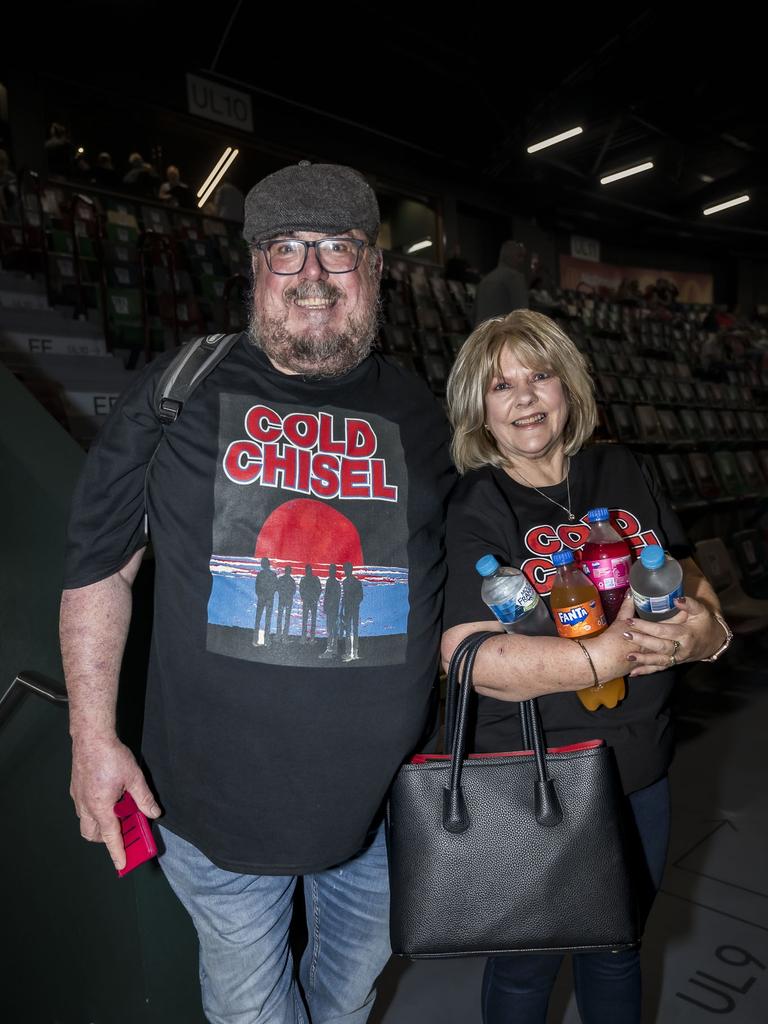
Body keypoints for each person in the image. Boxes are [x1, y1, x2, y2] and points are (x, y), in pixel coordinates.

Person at [60, 160, 454, 1024]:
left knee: (345, 1003)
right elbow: (100, 568)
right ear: (253, 271)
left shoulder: (421, 414)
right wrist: (92, 738)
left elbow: (457, 580)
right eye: (286, 249)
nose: (312, 274)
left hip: (385, 816)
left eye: (339, 249)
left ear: (376, 269)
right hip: (216, 817)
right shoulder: (180, 391)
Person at [442, 310, 730, 1024]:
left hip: (638, 762)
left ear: (567, 385)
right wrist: (602, 656)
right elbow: (469, 658)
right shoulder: (476, 502)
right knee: (526, 967)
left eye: (539, 375)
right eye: (500, 384)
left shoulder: (622, 467)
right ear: (478, 408)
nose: (525, 397)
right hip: (535, 772)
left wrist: (707, 633)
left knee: (618, 948)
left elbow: (689, 577)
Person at [472, 239, 529, 325]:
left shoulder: (485, 280)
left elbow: (474, 313)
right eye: (520, 256)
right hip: (504, 334)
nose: (522, 261)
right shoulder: (515, 277)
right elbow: (522, 314)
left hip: (482, 334)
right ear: (511, 256)